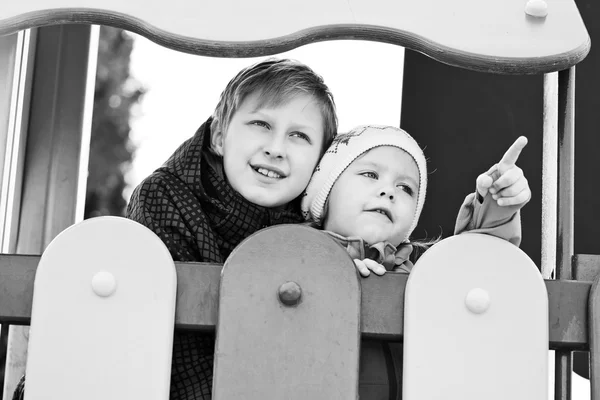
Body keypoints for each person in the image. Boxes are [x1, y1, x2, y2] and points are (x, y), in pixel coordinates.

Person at [301, 124, 531, 399]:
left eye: (406, 188)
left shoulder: (424, 271)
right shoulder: (292, 254)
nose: (389, 192)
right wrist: (330, 268)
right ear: (325, 193)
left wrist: (496, 206)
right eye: (370, 174)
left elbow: (479, 265)